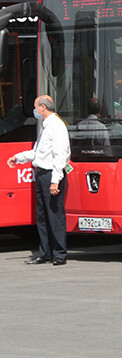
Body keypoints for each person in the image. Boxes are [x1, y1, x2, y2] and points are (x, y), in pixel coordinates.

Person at [7, 95, 71, 265]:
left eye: (36, 107)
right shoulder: (45, 126)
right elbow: (37, 153)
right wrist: (18, 157)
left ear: (43, 107)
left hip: (51, 175)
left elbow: (60, 155)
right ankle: (45, 253)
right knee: (42, 216)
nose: (34, 110)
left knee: (55, 215)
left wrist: (55, 180)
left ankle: (59, 254)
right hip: (41, 174)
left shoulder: (57, 126)